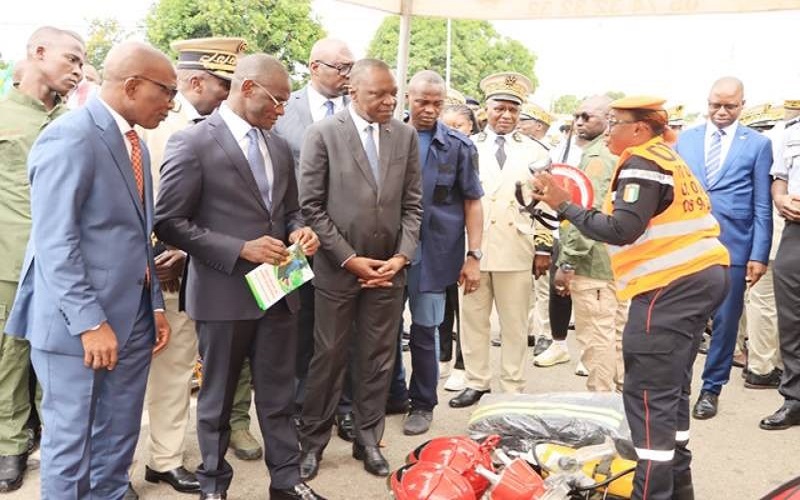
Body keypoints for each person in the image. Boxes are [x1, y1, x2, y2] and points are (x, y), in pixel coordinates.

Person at [532, 95, 730, 500]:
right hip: (698, 280)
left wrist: (563, 204)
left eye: (616, 123)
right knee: (671, 391)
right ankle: (679, 491)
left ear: (639, 129)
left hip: (669, 287)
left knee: (647, 397)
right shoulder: (666, 156)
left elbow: (622, 229)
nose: (609, 130)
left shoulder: (642, 162)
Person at [4, 40, 174, 500]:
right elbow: (55, 242)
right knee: (70, 447)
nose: (172, 103)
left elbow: (138, 235)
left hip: (133, 320)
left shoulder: (134, 142)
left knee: (118, 438)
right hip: (77, 327)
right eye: (166, 91)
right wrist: (90, 322)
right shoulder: (70, 137)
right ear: (134, 85)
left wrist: (153, 303)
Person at [155, 53, 325, 500]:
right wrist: (239, 249)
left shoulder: (277, 145)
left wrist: (298, 230)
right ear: (247, 87)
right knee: (216, 398)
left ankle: (286, 483)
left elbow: (289, 209)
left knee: (278, 397)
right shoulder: (192, 143)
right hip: (223, 293)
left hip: (279, 290)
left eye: (287, 102)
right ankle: (213, 484)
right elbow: (169, 221)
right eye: (277, 99)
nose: (283, 110)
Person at [297, 58, 422, 480]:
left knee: (377, 360)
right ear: (353, 92)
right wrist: (350, 260)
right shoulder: (324, 134)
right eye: (379, 94)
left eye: (393, 93)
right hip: (338, 271)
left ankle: (368, 439)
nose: (390, 101)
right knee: (328, 358)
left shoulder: (404, 136)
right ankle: (312, 442)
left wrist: (401, 258)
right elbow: (311, 207)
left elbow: (413, 205)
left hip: (389, 272)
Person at [138, 36, 246, 494]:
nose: (231, 94)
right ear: (196, 80)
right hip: (145, 270)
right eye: (226, 84)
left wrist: (189, 249)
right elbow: (136, 202)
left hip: (193, 270)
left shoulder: (229, 124)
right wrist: (152, 256)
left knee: (177, 368)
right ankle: (112, 467)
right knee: (128, 374)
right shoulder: (150, 123)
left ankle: (163, 458)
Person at [0, 26, 84, 494]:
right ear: (38, 53)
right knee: (10, 356)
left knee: (58, 356)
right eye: (71, 60)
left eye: (81, 63)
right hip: (11, 260)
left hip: (68, 263)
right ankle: (10, 443)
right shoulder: (2, 115)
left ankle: (57, 443)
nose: (77, 70)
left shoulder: (78, 121)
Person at [448, 72, 553, 409]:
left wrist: (543, 246)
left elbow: (548, 202)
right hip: (473, 249)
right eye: (499, 108)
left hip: (517, 246)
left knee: (514, 322)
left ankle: (512, 385)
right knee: (473, 319)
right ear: (486, 111)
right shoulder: (467, 147)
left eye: (513, 109)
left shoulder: (537, 152)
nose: (506, 116)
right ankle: (476, 381)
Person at [273, 38, 357, 443]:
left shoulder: (358, 112)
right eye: (340, 67)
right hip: (295, 240)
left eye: (350, 68)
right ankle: (299, 408)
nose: (347, 75)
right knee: (295, 325)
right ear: (313, 66)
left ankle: (341, 407)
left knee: (343, 331)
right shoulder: (282, 111)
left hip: (347, 243)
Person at [675, 77, 773, 420]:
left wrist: (758, 254)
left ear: (742, 105)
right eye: (715, 104)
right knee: (686, 320)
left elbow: (762, 204)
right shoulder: (684, 140)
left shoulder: (758, 144)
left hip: (734, 246)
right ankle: (680, 386)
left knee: (726, 322)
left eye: (729, 106)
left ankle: (711, 389)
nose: (721, 111)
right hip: (687, 246)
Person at [398, 70, 483, 435]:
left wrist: (474, 255)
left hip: (434, 255)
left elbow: (473, 204)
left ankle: (422, 403)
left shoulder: (459, 146)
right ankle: (392, 394)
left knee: (425, 329)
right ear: (407, 98)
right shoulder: (387, 138)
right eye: (422, 102)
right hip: (387, 252)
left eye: (437, 103)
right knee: (382, 332)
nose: (430, 110)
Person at [544, 95, 628, 392]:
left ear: (608, 121)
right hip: (613, 261)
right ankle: (617, 403)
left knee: (597, 338)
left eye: (588, 116)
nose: (579, 122)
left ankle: (602, 404)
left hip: (593, 263)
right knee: (614, 336)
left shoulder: (596, 158)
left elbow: (587, 218)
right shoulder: (611, 153)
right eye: (577, 116)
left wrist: (567, 262)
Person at [760, 105, 800, 430]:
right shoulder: (791, 131)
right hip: (795, 232)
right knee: (791, 319)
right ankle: (795, 400)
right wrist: (781, 199)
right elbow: (780, 177)